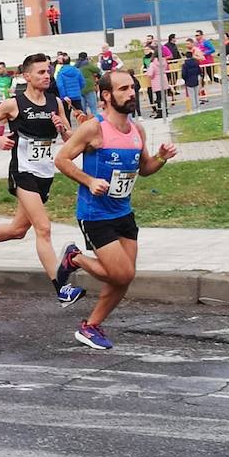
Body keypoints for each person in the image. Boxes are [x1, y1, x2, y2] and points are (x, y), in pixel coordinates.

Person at [53, 70, 178, 350]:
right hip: (95, 214)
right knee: (122, 274)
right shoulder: (94, 129)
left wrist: (161, 157)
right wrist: (89, 180)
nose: (131, 93)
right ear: (107, 95)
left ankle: (90, 327)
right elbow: (61, 159)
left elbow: (144, 169)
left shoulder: (137, 130)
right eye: (123, 89)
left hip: (123, 213)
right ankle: (75, 258)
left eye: (132, 87)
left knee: (124, 277)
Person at [0, 53, 83, 307]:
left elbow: (69, 139)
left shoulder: (55, 102)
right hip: (23, 171)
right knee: (43, 228)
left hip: (44, 173)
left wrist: (62, 127)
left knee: (18, 230)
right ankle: (61, 288)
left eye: (48, 71)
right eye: (41, 72)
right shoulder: (14, 104)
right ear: (27, 76)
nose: (47, 76)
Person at [76, 52, 101, 118]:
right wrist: (91, 62)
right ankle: (96, 121)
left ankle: (84, 122)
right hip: (89, 87)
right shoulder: (87, 64)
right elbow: (97, 70)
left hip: (79, 88)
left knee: (83, 109)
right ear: (86, 57)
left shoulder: (76, 66)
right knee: (93, 108)